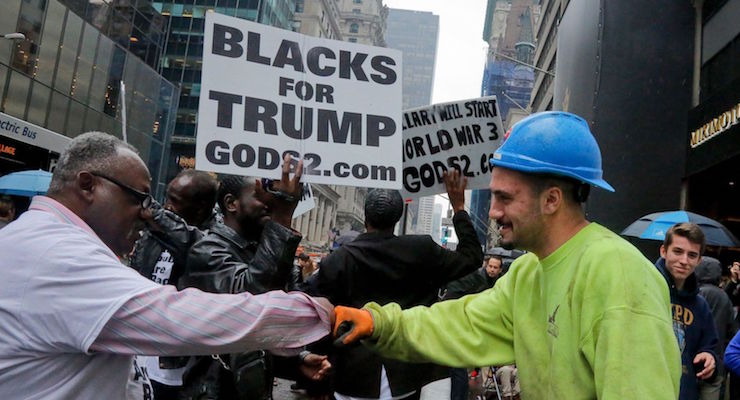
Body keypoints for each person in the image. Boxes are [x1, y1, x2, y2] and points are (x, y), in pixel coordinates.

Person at [330, 111, 681, 399]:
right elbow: (461, 324)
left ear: (552, 200)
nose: (494, 211)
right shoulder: (528, 272)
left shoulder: (618, 273)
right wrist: (380, 324)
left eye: (506, 198)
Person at [0, 132, 332, 399]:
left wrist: (295, 356)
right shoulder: (58, 256)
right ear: (88, 185)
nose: (148, 212)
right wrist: (316, 314)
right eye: (138, 197)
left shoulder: (48, 242)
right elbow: (182, 318)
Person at [310, 170, 483, 400]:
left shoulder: (339, 259)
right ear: (398, 218)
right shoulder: (421, 251)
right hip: (406, 371)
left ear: (365, 216)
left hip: (353, 375)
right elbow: (471, 257)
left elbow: (316, 314)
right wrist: (459, 207)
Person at [181, 171, 329, 399]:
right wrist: (282, 218)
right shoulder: (207, 251)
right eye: (260, 196)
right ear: (231, 203)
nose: (271, 203)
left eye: (273, 196)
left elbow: (259, 335)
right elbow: (252, 299)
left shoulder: (260, 252)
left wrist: (297, 361)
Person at [128, 169, 219, 398]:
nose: (167, 206)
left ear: (200, 208)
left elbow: (194, 246)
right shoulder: (153, 233)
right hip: (138, 352)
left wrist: (157, 217)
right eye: (167, 197)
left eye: (175, 201)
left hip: (177, 364)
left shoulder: (216, 242)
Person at [656, 223, 719, 400]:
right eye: (677, 251)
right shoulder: (645, 290)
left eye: (692, 255)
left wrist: (710, 358)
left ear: (699, 260)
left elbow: (710, 347)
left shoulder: (701, 306)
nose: (684, 261)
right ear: (663, 251)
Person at [695, 256, 738, 400]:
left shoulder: (694, 295)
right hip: (717, 361)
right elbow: (732, 330)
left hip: (692, 359)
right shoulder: (724, 298)